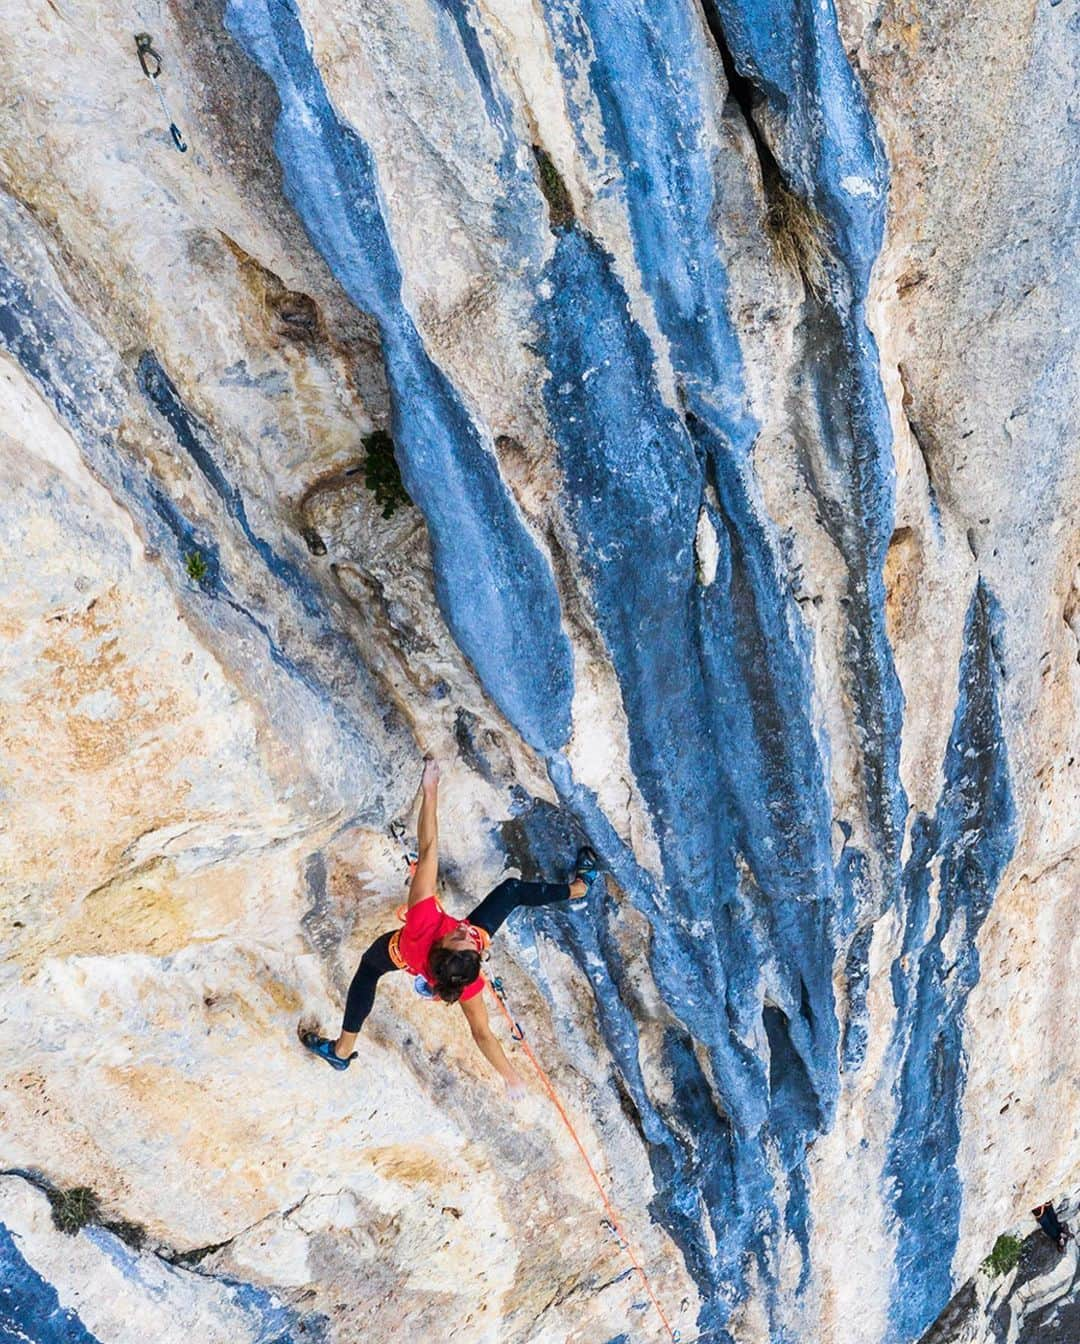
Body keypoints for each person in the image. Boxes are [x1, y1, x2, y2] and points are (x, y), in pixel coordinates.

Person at [301, 756, 601, 1098]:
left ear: (443, 944)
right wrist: (511, 1077)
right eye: (471, 940)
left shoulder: (422, 921)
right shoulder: (467, 974)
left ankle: (341, 1052)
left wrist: (430, 789)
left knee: (369, 969)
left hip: (404, 952)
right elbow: (482, 1033)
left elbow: (428, 849)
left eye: (462, 935)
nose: (467, 932)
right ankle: (580, 888)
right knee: (512, 891)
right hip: (433, 965)